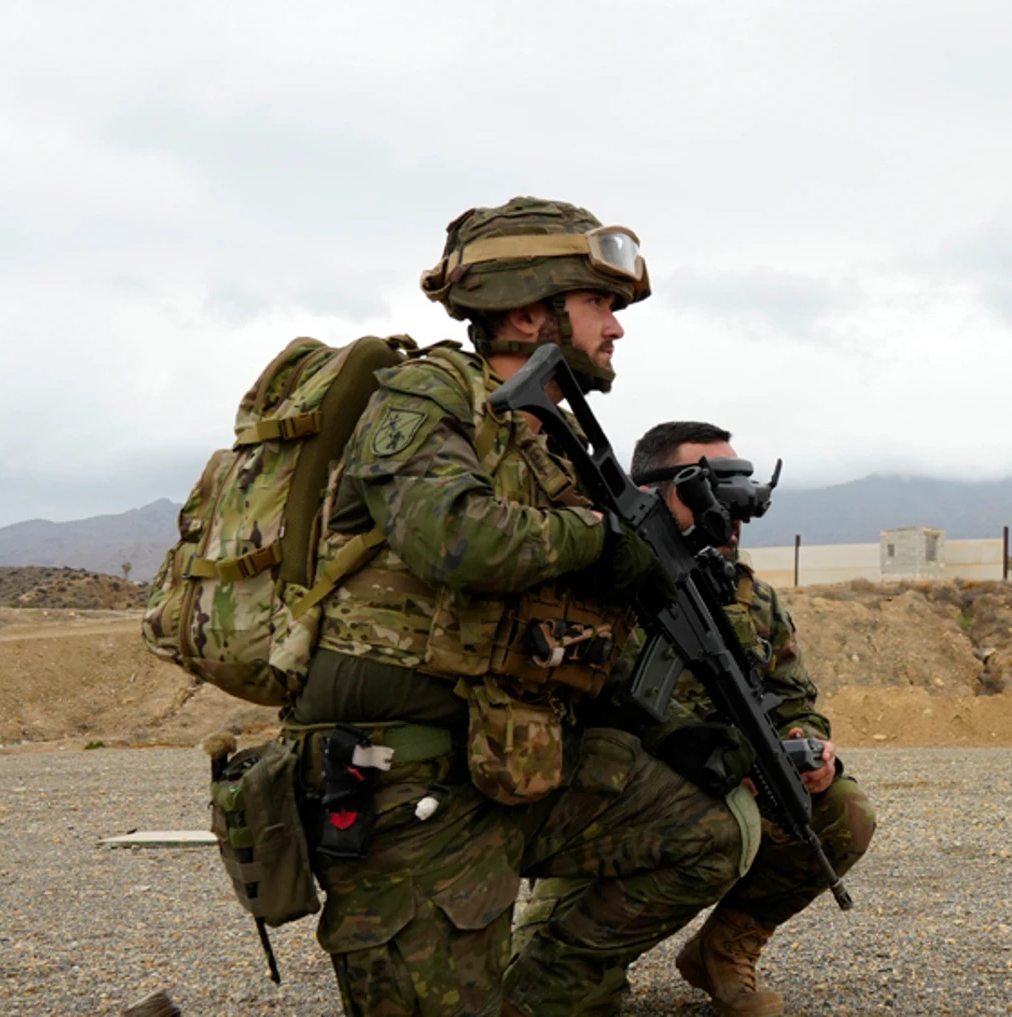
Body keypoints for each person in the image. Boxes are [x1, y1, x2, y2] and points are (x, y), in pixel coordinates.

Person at [287, 197, 745, 1017]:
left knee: (704, 832)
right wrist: (599, 539)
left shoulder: (542, 436)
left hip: (514, 757)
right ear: (532, 309)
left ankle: (540, 998)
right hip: (411, 776)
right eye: (600, 304)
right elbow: (447, 536)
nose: (616, 327)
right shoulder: (427, 395)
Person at [519, 422, 875, 1017]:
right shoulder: (602, 580)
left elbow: (791, 694)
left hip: (724, 785)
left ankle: (721, 952)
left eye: (736, 496)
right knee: (543, 987)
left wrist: (805, 742)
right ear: (652, 494)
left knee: (842, 813)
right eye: (708, 492)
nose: (729, 515)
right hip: (616, 801)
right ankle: (583, 960)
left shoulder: (745, 594)